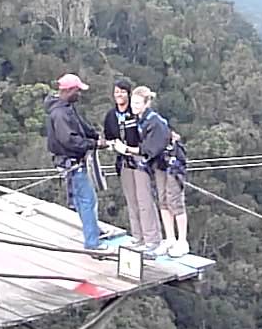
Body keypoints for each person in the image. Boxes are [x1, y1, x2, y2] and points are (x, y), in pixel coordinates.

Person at [110, 86, 190, 258]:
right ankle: (169, 238)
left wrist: (126, 149)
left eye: (138, 103)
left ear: (147, 103)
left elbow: (149, 149)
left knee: (174, 200)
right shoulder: (140, 119)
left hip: (172, 162)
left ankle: (182, 241)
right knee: (162, 200)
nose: (134, 106)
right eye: (133, 102)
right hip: (159, 164)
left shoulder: (155, 122)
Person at [44, 73, 109, 250]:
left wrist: (96, 136)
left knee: (83, 199)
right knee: (88, 200)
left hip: (72, 160)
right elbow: (69, 140)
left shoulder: (66, 107)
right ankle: (92, 243)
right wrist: (94, 144)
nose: (80, 94)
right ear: (70, 90)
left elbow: (81, 126)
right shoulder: (60, 113)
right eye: (78, 91)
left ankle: (93, 231)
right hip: (71, 161)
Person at [103, 79, 160, 252]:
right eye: (116, 92)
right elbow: (108, 135)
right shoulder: (111, 116)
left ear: (129, 93)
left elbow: (148, 135)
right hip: (123, 161)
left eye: (122, 91)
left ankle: (152, 239)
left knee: (144, 200)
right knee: (132, 200)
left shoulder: (135, 112)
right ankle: (138, 237)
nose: (119, 95)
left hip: (140, 160)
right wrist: (113, 145)